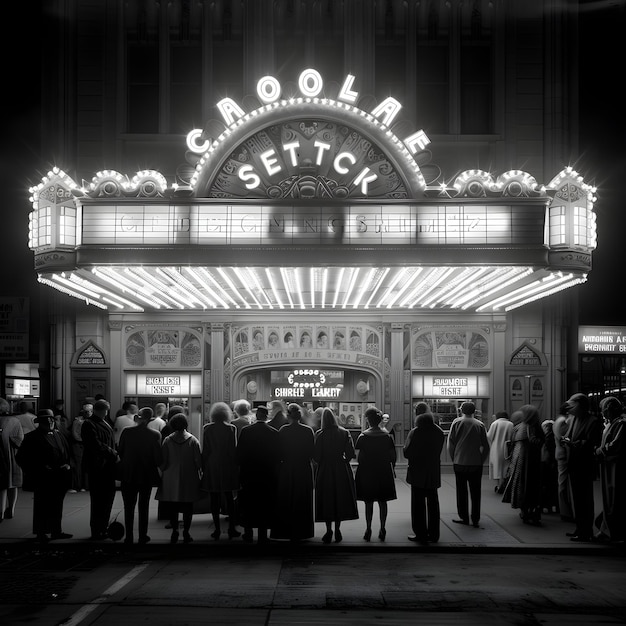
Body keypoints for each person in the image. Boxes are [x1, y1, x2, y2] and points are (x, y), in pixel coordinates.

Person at [16, 409, 72, 542]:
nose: (49, 422)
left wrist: (67, 464)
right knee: (42, 506)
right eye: (46, 420)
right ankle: (41, 532)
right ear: (40, 422)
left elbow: (66, 452)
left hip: (59, 476)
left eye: (51, 419)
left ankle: (56, 531)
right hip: (43, 477)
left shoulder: (58, 435)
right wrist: (38, 469)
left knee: (57, 505)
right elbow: (21, 457)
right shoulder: (32, 437)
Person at [117, 406, 163, 545]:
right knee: (144, 506)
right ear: (151, 418)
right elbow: (157, 458)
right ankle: (143, 535)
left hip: (129, 473)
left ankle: (129, 536)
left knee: (128, 506)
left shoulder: (127, 432)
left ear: (138, 417)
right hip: (146, 474)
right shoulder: (155, 435)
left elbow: (121, 451)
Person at [236, 405, 280, 543]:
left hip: (249, 473)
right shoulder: (273, 432)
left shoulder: (246, 431)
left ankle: (248, 532)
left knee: (249, 504)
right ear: (266, 416)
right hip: (267, 474)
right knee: (265, 504)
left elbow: (239, 453)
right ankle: (262, 534)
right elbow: (277, 456)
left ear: (256, 416)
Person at [313, 407, 358, 543]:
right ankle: (338, 529)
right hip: (340, 468)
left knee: (327, 499)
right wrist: (344, 461)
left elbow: (316, 456)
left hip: (325, 468)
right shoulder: (344, 433)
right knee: (339, 498)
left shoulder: (320, 434)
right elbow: (350, 452)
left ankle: (328, 530)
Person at [271, 403, 315, 542]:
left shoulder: (283, 430)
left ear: (288, 416)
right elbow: (312, 453)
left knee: (286, 499)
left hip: (287, 468)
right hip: (303, 468)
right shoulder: (308, 431)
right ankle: (302, 531)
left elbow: (278, 452)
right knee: (302, 499)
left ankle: (285, 530)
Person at [561, 392, 602, 542]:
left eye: (573, 405)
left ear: (580, 405)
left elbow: (591, 443)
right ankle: (580, 528)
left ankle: (586, 531)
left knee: (585, 499)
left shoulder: (593, 421)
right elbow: (571, 436)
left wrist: (574, 443)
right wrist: (567, 440)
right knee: (577, 499)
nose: (570, 408)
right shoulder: (575, 419)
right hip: (574, 463)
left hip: (584, 465)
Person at [157, 413, 203, 544]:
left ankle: (174, 531)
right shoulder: (193, 440)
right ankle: (186, 532)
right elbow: (198, 462)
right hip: (189, 477)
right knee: (188, 507)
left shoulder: (167, 440)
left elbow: (163, 462)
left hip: (170, 478)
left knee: (173, 506)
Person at [354, 407, 397, 542]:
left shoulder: (363, 436)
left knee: (369, 502)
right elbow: (392, 457)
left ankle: (368, 528)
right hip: (383, 471)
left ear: (368, 420)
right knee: (383, 501)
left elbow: (359, 457)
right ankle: (383, 527)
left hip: (368, 472)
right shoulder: (387, 437)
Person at [403, 411, 445, 543]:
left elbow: (407, 452)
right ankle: (434, 534)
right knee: (433, 503)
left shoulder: (415, 432)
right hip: (433, 471)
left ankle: (420, 533)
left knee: (418, 504)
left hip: (418, 471)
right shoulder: (439, 431)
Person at [447, 401, 489, 528]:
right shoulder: (480, 425)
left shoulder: (457, 422)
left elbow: (450, 444)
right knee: (476, 492)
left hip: (460, 462)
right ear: (474, 411)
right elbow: (486, 446)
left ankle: (464, 516)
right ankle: (475, 518)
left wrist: (454, 458)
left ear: (461, 411)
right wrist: (481, 460)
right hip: (475, 463)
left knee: (461, 491)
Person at [202, 402, 241, 540]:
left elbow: (205, 450)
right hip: (227, 464)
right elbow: (233, 450)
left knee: (214, 498)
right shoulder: (231, 429)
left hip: (212, 464)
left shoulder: (207, 428)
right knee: (229, 497)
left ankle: (217, 529)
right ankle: (231, 528)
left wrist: (203, 466)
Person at [501, 405, 545, 525]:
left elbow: (512, 443)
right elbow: (540, 441)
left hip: (519, 461)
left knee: (522, 485)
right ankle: (531, 510)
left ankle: (524, 509)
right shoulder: (535, 427)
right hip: (532, 461)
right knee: (532, 486)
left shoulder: (519, 427)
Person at [81, 399, 119, 540]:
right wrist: (113, 453)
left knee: (106, 498)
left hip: (105, 466)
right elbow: (95, 444)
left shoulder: (97, 423)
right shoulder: (90, 424)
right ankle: (97, 529)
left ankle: (102, 528)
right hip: (98, 467)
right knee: (99, 500)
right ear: (103, 410)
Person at [593, 396, 626, 543]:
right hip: (608, 465)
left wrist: (601, 450)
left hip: (615, 466)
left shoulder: (621, 424)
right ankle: (607, 529)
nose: (602, 412)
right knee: (609, 498)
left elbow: (616, 444)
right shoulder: (613, 423)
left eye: (603, 409)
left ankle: (613, 531)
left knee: (613, 498)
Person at [0, 397, 24, 521]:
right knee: (12, 484)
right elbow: (20, 440)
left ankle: (1, 512)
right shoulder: (14, 421)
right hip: (13, 457)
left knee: (2, 486)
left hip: (2, 457)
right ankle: (11, 509)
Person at [552, 402, 574, 521]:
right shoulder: (563, 422)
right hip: (563, 455)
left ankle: (565, 510)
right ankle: (565, 511)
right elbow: (565, 439)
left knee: (563, 482)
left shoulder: (559, 420)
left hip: (560, 454)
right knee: (563, 482)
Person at [486, 411, 514, 494]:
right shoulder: (510, 424)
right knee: (506, 467)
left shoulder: (495, 423)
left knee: (497, 467)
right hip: (507, 449)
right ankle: (504, 485)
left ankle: (498, 485)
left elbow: (489, 436)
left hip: (496, 448)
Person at [70, 402, 91, 492]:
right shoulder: (78, 421)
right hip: (80, 444)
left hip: (82, 444)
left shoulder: (78, 421)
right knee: (79, 465)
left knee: (83, 465)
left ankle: (84, 485)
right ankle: (80, 485)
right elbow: (75, 434)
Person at [540, 417, 558, 515]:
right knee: (552, 486)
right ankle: (552, 506)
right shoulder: (553, 436)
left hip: (547, 463)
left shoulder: (548, 438)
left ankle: (546, 505)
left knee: (546, 485)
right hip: (552, 464)